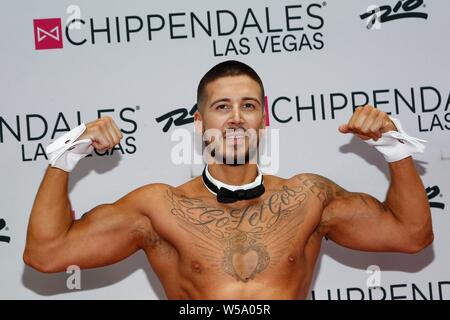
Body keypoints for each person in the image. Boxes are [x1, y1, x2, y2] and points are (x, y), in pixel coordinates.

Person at [23, 60, 433, 299]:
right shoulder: (159, 207)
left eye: (248, 105)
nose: (236, 117)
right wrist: (65, 158)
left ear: (264, 119)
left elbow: (411, 235)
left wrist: (394, 150)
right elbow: (46, 255)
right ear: (200, 123)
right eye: (222, 106)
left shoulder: (308, 197)